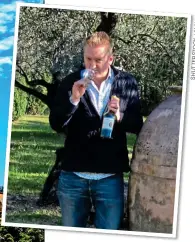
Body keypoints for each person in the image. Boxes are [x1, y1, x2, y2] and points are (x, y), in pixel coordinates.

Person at [49, 31, 143, 230]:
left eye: (98, 60)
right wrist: (74, 100)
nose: (91, 65)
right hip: (73, 177)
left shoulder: (127, 83)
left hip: (109, 179)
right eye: (88, 59)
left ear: (110, 58)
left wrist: (120, 117)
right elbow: (56, 124)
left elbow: (137, 125)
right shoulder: (70, 83)